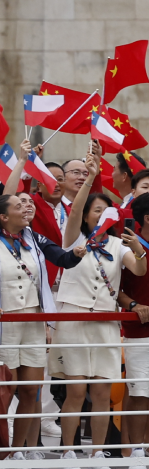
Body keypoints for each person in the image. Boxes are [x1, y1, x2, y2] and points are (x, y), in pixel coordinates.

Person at [0, 192, 84, 460]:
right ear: (3, 217)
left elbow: (61, 258)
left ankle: (17, 449)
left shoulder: (35, 238)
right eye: (18, 205)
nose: (26, 206)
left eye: (26, 203)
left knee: (31, 390)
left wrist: (76, 253)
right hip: (3, 323)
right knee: (4, 390)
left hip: (32, 321)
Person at [53, 152, 147, 465]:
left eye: (106, 210)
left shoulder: (118, 244)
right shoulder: (72, 238)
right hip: (75, 319)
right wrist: (90, 178)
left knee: (103, 394)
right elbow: (76, 207)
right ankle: (68, 450)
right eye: (97, 209)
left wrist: (139, 251)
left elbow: (138, 271)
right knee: (76, 391)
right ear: (87, 215)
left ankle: (96, 452)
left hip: (106, 322)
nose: (102, 213)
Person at [119, 193, 149, 468]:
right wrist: (133, 304)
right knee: (140, 391)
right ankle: (137, 449)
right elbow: (114, 286)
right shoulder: (128, 245)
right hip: (139, 331)